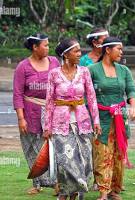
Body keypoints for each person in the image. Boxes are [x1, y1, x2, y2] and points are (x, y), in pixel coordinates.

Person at [43, 38, 101, 200]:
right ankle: (66, 192)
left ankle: (74, 194)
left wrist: (96, 121)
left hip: (83, 123)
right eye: (76, 51)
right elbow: (49, 102)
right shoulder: (54, 74)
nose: (79, 54)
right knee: (66, 162)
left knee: (85, 161)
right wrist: (47, 127)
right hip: (60, 124)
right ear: (66, 54)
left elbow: (92, 97)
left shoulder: (84, 72)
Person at [88, 37, 135, 200]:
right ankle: (103, 191)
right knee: (102, 154)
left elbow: (131, 90)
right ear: (108, 50)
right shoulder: (92, 69)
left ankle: (115, 190)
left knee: (118, 154)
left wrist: (133, 106)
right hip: (101, 118)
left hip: (120, 119)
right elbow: (87, 94)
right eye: (119, 49)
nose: (122, 53)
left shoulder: (124, 70)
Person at [13, 33, 60, 195]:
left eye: (48, 45)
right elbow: (18, 94)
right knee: (32, 149)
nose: (48, 48)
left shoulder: (54, 62)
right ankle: (37, 183)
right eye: (45, 45)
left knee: (53, 147)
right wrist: (21, 118)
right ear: (35, 47)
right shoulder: (23, 67)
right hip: (30, 112)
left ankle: (56, 183)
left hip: (52, 111)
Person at [79, 27, 109, 192]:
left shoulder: (110, 57)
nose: (108, 41)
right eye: (105, 39)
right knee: (90, 144)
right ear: (94, 42)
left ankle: (105, 179)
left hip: (108, 107)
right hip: (88, 108)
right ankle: (90, 178)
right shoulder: (84, 61)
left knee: (105, 144)